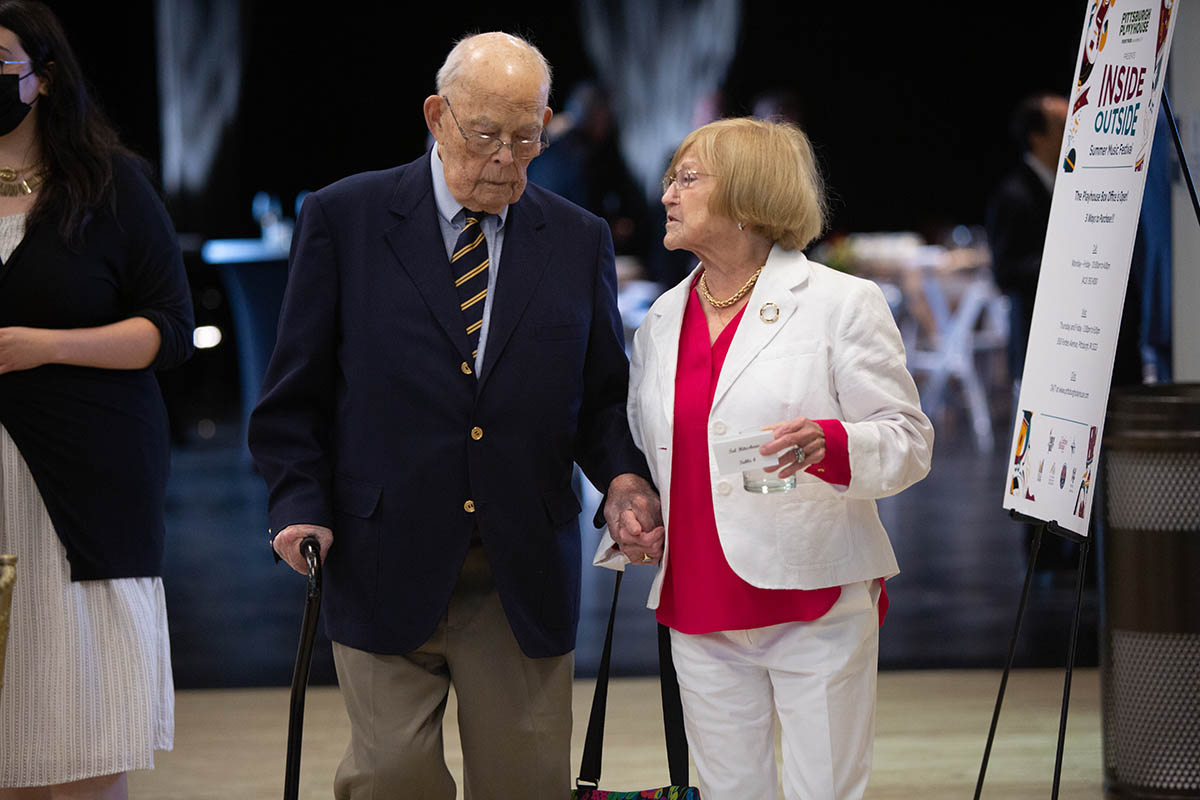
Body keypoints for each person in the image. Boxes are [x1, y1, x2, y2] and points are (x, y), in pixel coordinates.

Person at [248, 32, 659, 798]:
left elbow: (601, 394)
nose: (508, 158)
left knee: (526, 782)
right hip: (378, 551)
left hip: (521, 565)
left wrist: (626, 479)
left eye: (528, 136)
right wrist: (297, 505)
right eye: (486, 135)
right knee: (391, 779)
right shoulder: (346, 218)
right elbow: (293, 395)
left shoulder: (577, 238)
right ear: (438, 116)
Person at [597, 118, 933, 800]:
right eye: (669, 179)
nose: (667, 194)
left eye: (687, 179)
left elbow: (907, 440)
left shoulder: (841, 304)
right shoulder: (660, 321)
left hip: (815, 598)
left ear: (750, 197)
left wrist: (834, 444)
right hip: (697, 602)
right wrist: (639, 515)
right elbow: (662, 456)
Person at [0, 2, 194, 798]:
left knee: (81, 718)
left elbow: (169, 329)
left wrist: (43, 346)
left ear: (42, 78)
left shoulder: (110, 186)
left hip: (86, 485)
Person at [985, 93, 1068, 387]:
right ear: (1037, 137)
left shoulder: (1067, 184)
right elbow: (1005, 271)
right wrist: (1069, 264)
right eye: (1063, 125)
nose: (1074, 131)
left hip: (1069, 334)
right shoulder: (1014, 194)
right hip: (1036, 335)